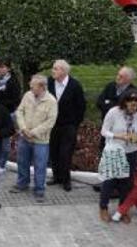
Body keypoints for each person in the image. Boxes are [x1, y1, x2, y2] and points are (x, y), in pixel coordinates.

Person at [97, 91, 137, 223]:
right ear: (125, 102)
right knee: (110, 180)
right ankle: (103, 207)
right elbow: (104, 131)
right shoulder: (114, 112)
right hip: (115, 150)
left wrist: (136, 139)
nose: (134, 108)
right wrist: (118, 136)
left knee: (127, 182)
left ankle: (122, 209)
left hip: (132, 151)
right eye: (132, 105)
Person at [11, 75, 58, 202]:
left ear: (42, 87)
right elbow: (19, 112)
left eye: (33, 86)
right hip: (24, 137)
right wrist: (23, 128)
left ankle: (39, 189)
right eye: (30, 86)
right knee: (22, 161)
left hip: (41, 141)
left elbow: (50, 122)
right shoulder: (28, 95)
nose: (30, 88)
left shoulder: (51, 101)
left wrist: (33, 132)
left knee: (40, 165)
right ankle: (22, 184)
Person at [47, 59, 86, 192]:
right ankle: (56, 176)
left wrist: (75, 124)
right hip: (52, 125)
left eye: (55, 69)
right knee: (54, 151)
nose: (53, 71)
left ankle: (66, 179)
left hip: (68, 125)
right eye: (53, 68)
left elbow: (81, 107)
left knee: (66, 153)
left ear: (63, 71)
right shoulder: (49, 82)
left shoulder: (75, 85)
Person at [0, 59, 21, 174]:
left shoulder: (13, 81)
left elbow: (16, 100)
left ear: (8, 69)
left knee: (4, 141)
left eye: (3, 67)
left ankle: (2, 164)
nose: (1, 69)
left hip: (7, 114)